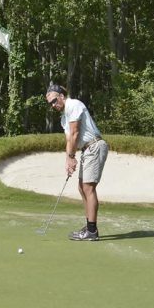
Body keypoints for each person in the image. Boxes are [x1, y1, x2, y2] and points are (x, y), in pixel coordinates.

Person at [45, 84, 108, 241]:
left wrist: (72, 156)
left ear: (61, 96)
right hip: (86, 150)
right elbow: (69, 140)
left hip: (94, 146)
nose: (53, 105)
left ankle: (92, 231)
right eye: (50, 103)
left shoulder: (73, 105)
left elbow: (75, 133)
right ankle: (89, 226)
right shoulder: (64, 118)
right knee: (81, 187)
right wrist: (68, 160)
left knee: (88, 188)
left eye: (54, 101)